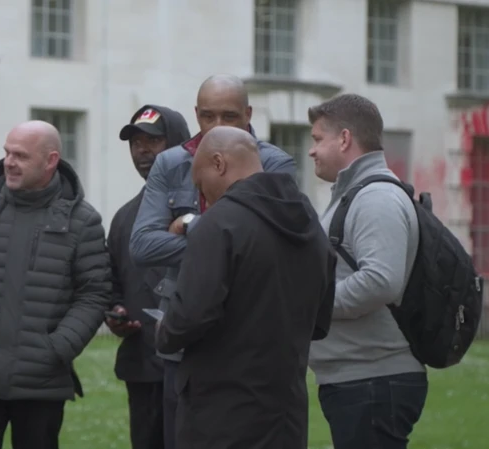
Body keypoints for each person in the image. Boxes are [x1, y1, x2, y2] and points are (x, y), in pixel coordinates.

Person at [128, 74, 296, 449]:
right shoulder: (171, 163)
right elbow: (142, 245)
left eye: (229, 116)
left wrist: (190, 225)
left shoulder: (274, 163)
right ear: (196, 115)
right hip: (184, 333)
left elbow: (274, 242)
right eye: (208, 116)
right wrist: (229, 244)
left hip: (251, 335)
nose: (217, 126)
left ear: (248, 114)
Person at [155, 125, 335, 449]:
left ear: (219, 163)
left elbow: (189, 317)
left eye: (200, 185)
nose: (202, 197)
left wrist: (163, 329)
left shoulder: (219, 224)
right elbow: (320, 321)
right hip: (285, 414)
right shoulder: (309, 221)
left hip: (221, 415)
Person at [0, 120, 112, 449]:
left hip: (43, 382)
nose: (8, 162)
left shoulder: (83, 221)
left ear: (51, 161)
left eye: (20, 155)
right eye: (7, 153)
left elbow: (93, 294)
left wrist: (56, 348)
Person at [307, 93, 427, 449]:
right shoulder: (357, 193)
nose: (311, 150)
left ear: (344, 139)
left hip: (374, 380)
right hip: (361, 379)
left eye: (317, 139)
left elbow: (381, 281)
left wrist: (312, 305)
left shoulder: (376, 198)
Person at [105, 104, 191, 449]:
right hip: (142, 368)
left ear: (180, 144)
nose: (142, 150)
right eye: (135, 142)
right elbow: (112, 284)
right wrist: (116, 313)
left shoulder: (206, 208)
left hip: (195, 370)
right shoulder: (125, 218)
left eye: (153, 141)